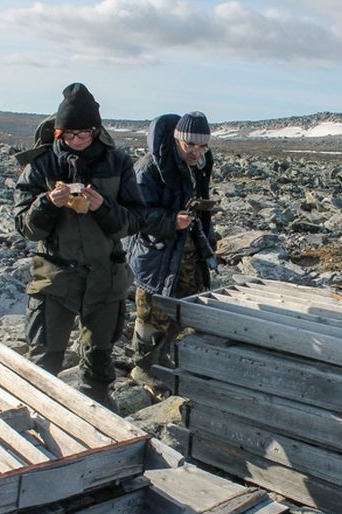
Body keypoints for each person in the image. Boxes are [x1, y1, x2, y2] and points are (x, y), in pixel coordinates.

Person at [13, 82, 145, 408]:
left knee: (100, 358)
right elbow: (25, 228)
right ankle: (37, 418)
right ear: (58, 133)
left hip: (105, 276)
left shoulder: (118, 164)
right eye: (70, 134)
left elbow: (136, 220)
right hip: (55, 276)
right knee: (45, 358)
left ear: (96, 131)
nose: (77, 141)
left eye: (84, 133)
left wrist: (104, 207)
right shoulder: (41, 166)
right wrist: (47, 203)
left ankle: (97, 416)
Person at [124, 112, 217, 388]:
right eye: (191, 146)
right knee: (152, 308)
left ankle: (162, 356)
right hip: (155, 250)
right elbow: (134, 215)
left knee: (186, 301)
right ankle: (143, 368)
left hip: (187, 248)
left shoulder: (199, 164)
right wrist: (170, 221)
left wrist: (207, 238)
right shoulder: (149, 168)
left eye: (202, 147)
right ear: (178, 139)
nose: (196, 152)